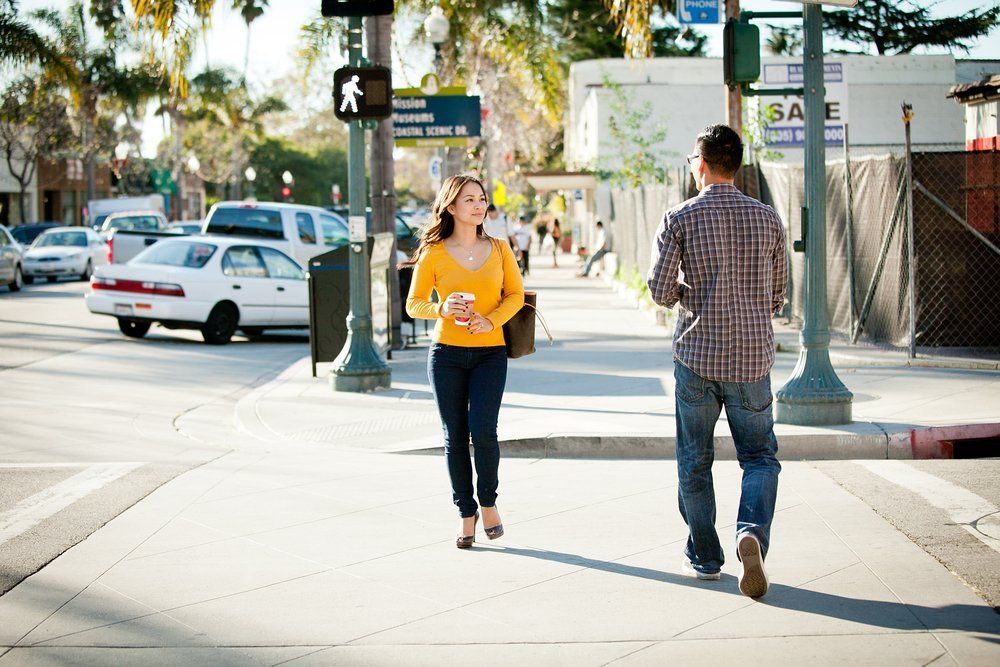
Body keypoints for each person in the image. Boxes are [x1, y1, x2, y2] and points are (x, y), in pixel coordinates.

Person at [646, 124, 787, 598]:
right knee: (761, 458)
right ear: (737, 164)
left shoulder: (679, 218)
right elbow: (777, 297)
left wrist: (697, 296)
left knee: (694, 461)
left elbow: (661, 290)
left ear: (701, 164)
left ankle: (705, 557)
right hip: (751, 362)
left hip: (697, 358)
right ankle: (751, 532)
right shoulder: (768, 218)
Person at [405, 174, 525, 549]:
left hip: (490, 353)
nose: (478, 205)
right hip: (446, 357)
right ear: (451, 207)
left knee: (484, 431)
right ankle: (465, 512)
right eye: (469, 199)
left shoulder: (500, 248)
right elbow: (413, 303)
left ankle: (489, 504)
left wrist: (491, 320)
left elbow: (516, 296)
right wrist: (441, 308)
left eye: (481, 198)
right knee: (454, 437)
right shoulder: (433, 252)